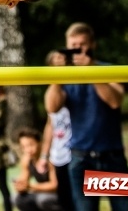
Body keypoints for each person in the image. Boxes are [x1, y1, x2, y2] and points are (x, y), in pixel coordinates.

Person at [45, 22, 128, 211]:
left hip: (112, 157)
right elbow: (52, 107)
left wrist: (91, 69)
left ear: (93, 45)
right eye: (73, 46)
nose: (77, 50)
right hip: (81, 158)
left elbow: (115, 101)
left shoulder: (108, 69)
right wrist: (56, 77)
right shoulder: (65, 76)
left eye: (82, 45)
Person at [37, 51, 74, 211]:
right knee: (65, 200)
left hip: (76, 153)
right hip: (59, 155)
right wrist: (45, 155)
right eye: (56, 60)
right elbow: (50, 123)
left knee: (82, 199)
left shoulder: (74, 87)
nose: (60, 62)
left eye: (63, 59)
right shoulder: (52, 92)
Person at [13, 128, 61, 211]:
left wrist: (30, 186)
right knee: (17, 199)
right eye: (24, 147)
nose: (28, 150)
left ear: (40, 143)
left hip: (58, 194)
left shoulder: (49, 158)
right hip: (42, 193)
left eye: (31, 145)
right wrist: (20, 186)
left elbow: (55, 185)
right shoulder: (26, 160)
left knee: (42, 199)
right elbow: (24, 180)